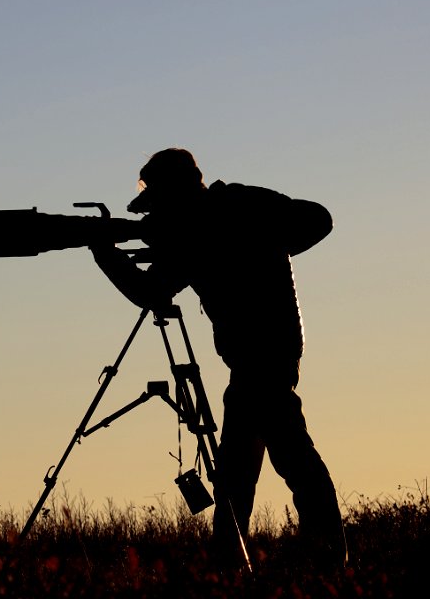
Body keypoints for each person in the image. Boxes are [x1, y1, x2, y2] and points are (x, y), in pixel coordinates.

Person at [89, 148, 347, 568]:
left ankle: (326, 560)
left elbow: (318, 219)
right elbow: (157, 286)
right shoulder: (197, 235)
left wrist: (106, 254)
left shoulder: (236, 208)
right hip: (250, 359)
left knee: (286, 454)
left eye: (160, 204)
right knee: (238, 467)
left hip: (269, 350)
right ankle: (235, 562)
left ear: (177, 195)